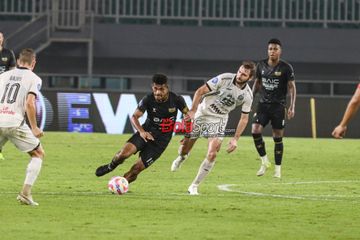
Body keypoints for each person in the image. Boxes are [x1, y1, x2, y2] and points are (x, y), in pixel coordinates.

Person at [171, 61, 256, 195]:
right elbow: (200, 91)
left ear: (249, 78)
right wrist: (193, 110)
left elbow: (244, 118)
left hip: (219, 119)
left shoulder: (247, 95)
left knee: (213, 153)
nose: (239, 75)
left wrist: (235, 139)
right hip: (203, 113)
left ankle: (194, 186)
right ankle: (182, 157)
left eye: (244, 74)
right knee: (184, 148)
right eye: (239, 71)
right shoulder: (224, 78)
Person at [95, 74, 189, 185]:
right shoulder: (148, 99)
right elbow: (134, 116)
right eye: (155, 89)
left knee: (136, 169)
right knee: (123, 155)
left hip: (161, 141)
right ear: (152, 87)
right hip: (146, 132)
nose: (158, 92)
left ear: (167, 88)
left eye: (161, 89)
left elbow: (188, 116)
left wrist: (187, 135)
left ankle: (120, 184)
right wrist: (142, 132)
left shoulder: (177, 100)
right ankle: (111, 166)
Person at [0, 48, 44, 206]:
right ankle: (25, 193)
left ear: (18, 61)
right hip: (14, 122)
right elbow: (30, 103)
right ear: (33, 63)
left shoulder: (3, 76)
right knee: (38, 153)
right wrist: (34, 127)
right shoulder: (34, 78)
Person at [251, 38, 296, 178]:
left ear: (280, 51)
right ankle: (264, 161)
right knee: (255, 131)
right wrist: (250, 99)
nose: (272, 51)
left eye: (275, 49)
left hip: (278, 106)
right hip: (263, 105)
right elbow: (257, 84)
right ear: (267, 50)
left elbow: (292, 87)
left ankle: (278, 169)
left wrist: (292, 106)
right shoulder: (261, 65)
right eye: (270, 48)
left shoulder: (286, 67)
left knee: (277, 137)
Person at [0, 31, 16, 161]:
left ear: (3, 39)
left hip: (4, 92)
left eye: (0, 37)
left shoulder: (8, 53)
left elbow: (13, 72)